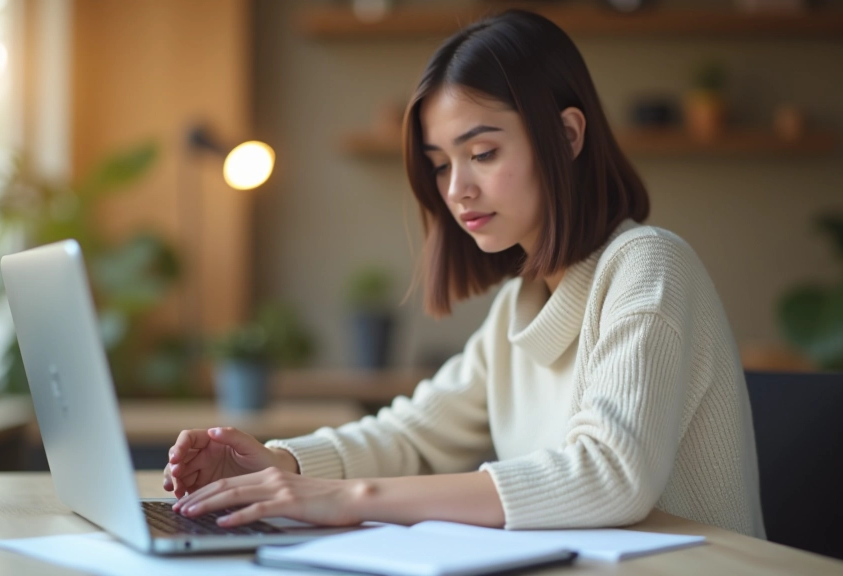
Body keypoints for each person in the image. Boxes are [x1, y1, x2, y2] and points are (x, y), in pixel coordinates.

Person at [164, 9, 765, 538]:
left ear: (567, 134)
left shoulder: (648, 265)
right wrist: (278, 465)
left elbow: (609, 476)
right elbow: (413, 438)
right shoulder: (519, 305)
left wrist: (349, 499)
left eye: (482, 153)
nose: (457, 189)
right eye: (440, 164)